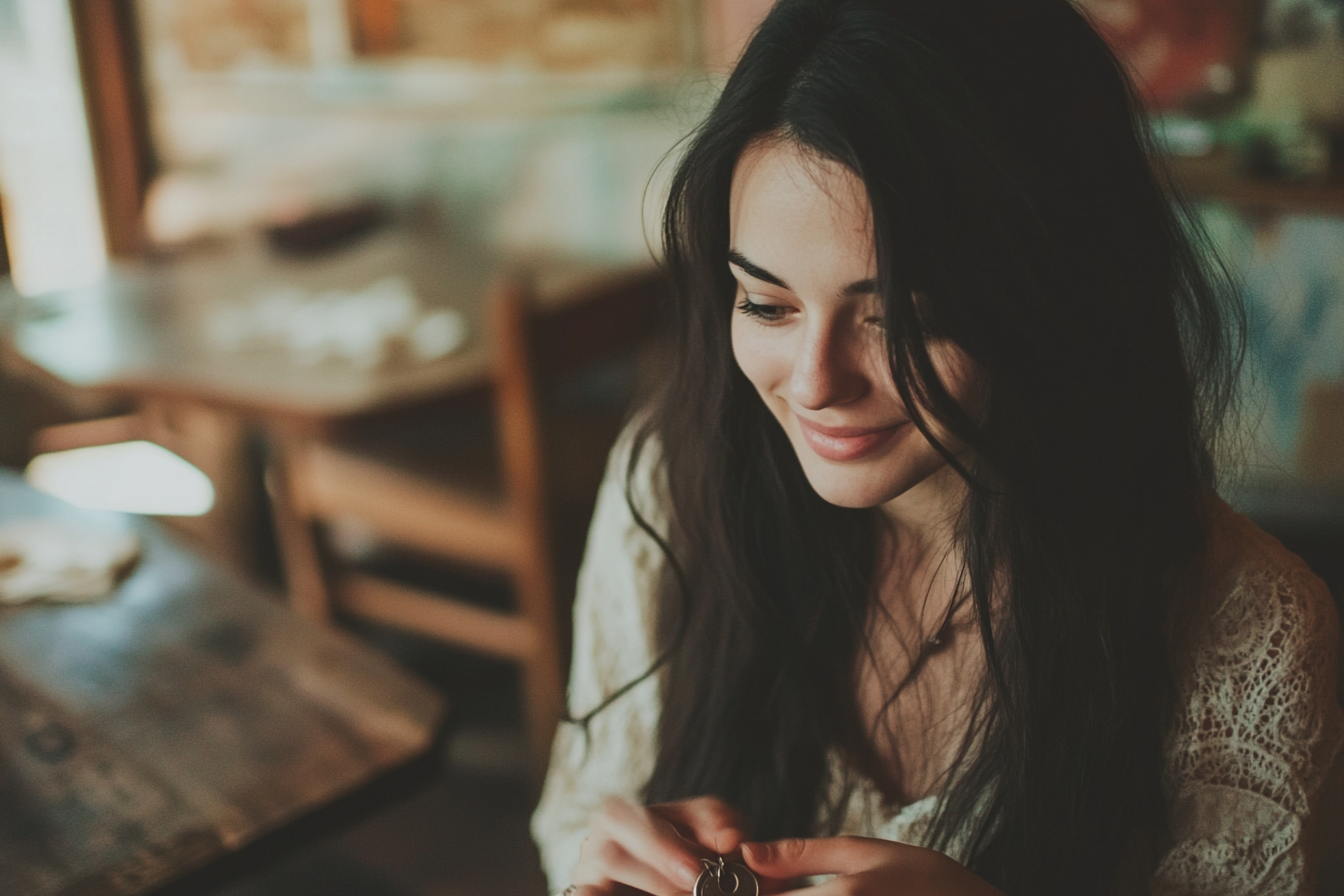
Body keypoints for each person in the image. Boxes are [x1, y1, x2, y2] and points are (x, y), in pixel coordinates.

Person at [531, 1, 1344, 894]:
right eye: (766, 304)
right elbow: (581, 807)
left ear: (1061, 294)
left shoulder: (1244, 634)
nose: (813, 384)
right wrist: (598, 863)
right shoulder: (670, 486)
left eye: (902, 320)